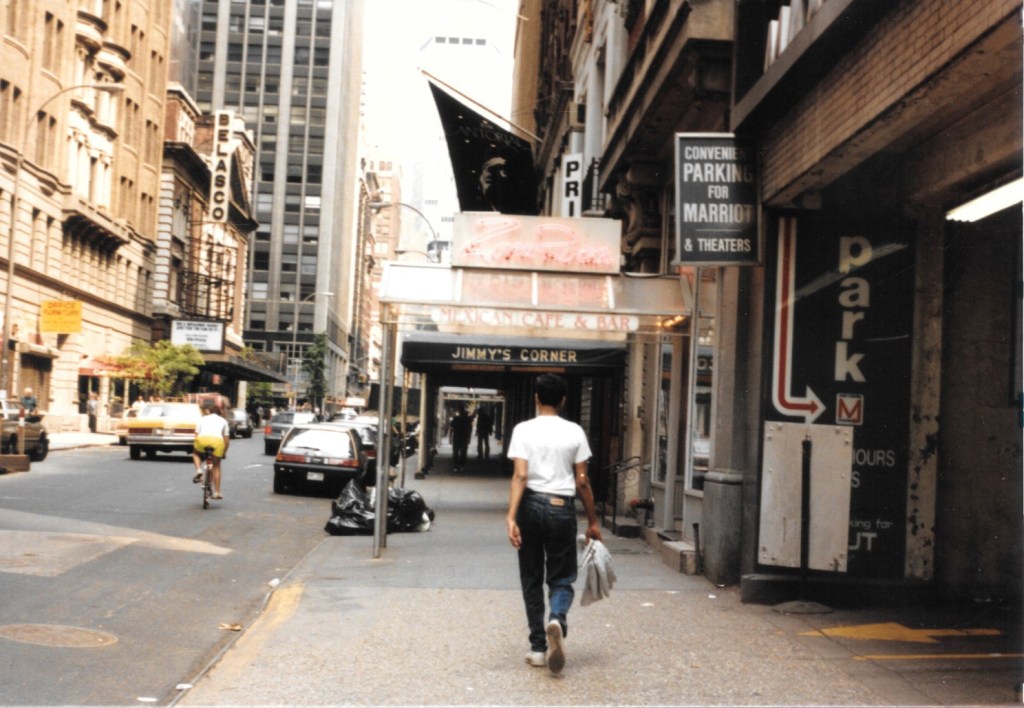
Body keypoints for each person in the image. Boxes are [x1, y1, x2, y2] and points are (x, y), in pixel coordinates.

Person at [506, 373, 602, 675]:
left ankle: (537, 649)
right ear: (563, 400)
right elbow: (582, 481)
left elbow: (520, 475)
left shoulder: (523, 430)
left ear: (536, 398)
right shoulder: (575, 431)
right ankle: (557, 619)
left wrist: (511, 517)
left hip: (530, 505)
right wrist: (593, 521)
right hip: (562, 508)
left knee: (531, 577)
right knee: (561, 576)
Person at [192, 400, 230, 500]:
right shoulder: (223, 421)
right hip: (217, 442)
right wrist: (224, 453)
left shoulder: (202, 419)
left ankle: (199, 470)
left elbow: (196, 435)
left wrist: (198, 446)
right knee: (216, 466)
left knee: (195, 454)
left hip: (202, 440)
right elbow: (226, 441)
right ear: (220, 413)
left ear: (209, 412)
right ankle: (217, 492)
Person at [450, 406, 472, 472]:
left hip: (460, 437)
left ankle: (459, 466)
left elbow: (451, 429)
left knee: (461, 453)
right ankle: (458, 466)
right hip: (460, 437)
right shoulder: (459, 419)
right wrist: (469, 438)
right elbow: (452, 428)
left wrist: (450, 438)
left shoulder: (463, 419)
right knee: (458, 453)